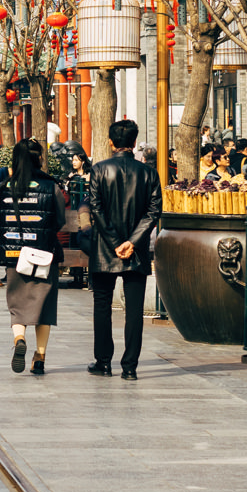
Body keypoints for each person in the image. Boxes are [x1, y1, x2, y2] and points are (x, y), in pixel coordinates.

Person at [0, 138, 69, 374]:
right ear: (39, 158)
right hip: (44, 254)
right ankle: (40, 357)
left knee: (17, 305)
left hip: (15, 255)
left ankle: (19, 339)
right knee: (45, 307)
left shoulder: (5, 186)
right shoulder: (51, 186)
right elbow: (60, 220)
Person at [87, 119, 161, 380]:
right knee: (134, 310)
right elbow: (154, 211)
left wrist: (114, 241)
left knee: (102, 305)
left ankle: (103, 362)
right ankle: (130, 367)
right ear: (133, 142)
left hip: (105, 249)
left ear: (111, 142)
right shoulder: (148, 173)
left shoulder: (99, 170)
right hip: (136, 249)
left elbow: (96, 208)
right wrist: (132, 241)